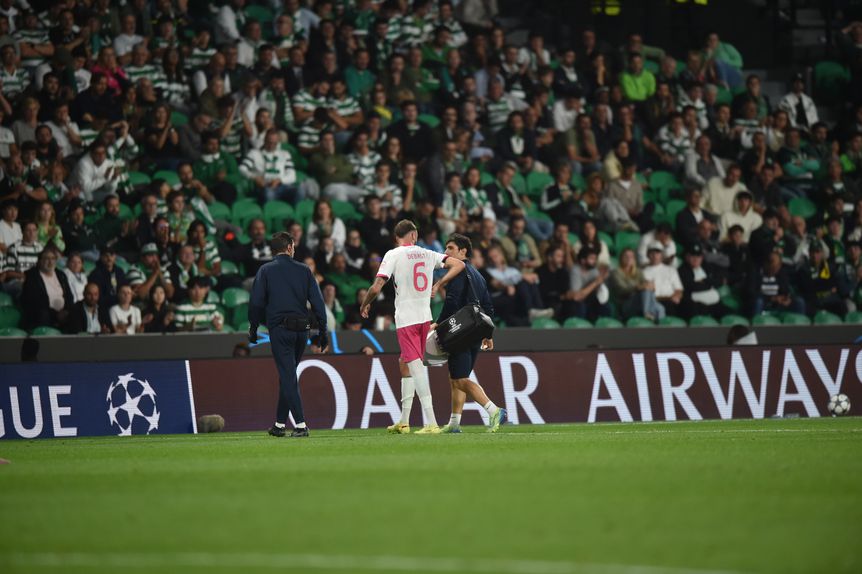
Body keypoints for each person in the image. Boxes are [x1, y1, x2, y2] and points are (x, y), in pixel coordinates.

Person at [359, 219, 465, 434]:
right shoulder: (428, 254)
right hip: (425, 316)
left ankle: (432, 422)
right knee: (405, 362)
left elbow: (378, 285)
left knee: (415, 367)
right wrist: (438, 284)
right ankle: (404, 421)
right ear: (414, 235)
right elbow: (459, 264)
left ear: (397, 236)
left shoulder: (393, 254)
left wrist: (365, 303)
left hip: (406, 318)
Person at [249, 232, 328, 438]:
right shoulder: (304, 270)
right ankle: (279, 425)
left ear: (272, 250)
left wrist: (253, 328)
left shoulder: (265, 270)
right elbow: (318, 303)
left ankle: (301, 425)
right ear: (290, 247)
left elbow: (256, 303)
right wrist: (323, 330)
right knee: (288, 375)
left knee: (287, 376)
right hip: (302, 331)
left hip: (280, 330)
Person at [434, 233, 506, 433]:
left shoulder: (458, 272)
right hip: (476, 331)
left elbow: (452, 301)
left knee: (459, 379)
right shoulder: (479, 275)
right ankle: (455, 424)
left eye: (450, 248)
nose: (445, 252)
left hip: (460, 331)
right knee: (457, 376)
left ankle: (494, 410)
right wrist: (488, 334)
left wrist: (438, 324)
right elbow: (488, 307)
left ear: (462, 251)